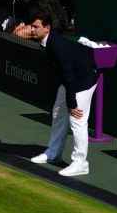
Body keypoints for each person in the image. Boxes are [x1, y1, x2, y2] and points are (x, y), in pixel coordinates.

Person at [27, 13, 99, 177]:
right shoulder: (45, 42)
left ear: (47, 28)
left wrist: (72, 102)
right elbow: (64, 73)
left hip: (84, 78)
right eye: (32, 26)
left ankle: (81, 163)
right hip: (71, 78)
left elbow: (68, 74)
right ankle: (54, 153)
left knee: (77, 119)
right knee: (58, 112)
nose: (32, 29)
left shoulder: (56, 45)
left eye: (36, 26)